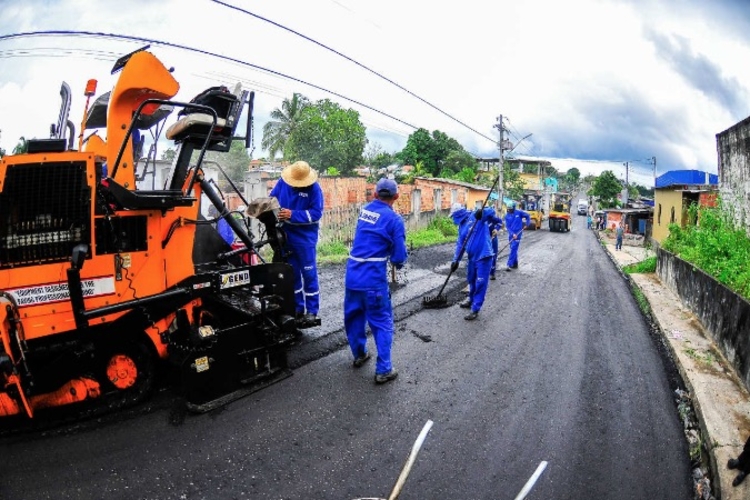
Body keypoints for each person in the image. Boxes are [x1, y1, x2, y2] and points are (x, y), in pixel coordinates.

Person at [344, 178, 407, 384]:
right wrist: (396, 261)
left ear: (375, 195)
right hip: (373, 281)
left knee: (354, 317)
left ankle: (360, 354)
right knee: (381, 323)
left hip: (352, 275)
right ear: (396, 197)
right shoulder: (395, 220)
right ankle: (384, 369)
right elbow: (399, 258)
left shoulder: (365, 211)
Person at [270, 160, 324, 324]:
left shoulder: (314, 189)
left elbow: (316, 213)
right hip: (286, 237)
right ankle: (298, 308)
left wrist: (292, 215)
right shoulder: (283, 182)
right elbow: (272, 198)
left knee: (309, 274)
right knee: (292, 274)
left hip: (305, 239)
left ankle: (312, 311)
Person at [450, 205, 502, 320]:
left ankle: (475, 308)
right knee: (471, 279)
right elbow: (460, 245)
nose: (453, 219)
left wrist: (482, 212)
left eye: (454, 216)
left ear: (459, 214)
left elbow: (491, 211)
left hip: (484, 256)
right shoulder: (461, 226)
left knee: (480, 283)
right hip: (472, 257)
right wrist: (456, 261)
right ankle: (471, 299)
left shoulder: (476, 216)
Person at [503, 201, 531, 272]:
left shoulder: (519, 212)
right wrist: (512, 234)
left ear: (514, 208)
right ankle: (515, 264)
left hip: (518, 233)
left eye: (511, 209)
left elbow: (528, 216)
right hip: (511, 235)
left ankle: (509, 265)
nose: (509, 210)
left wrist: (527, 224)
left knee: (513, 249)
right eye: (508, 209)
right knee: (512, 248)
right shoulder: (507, 216)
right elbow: (508, 227)